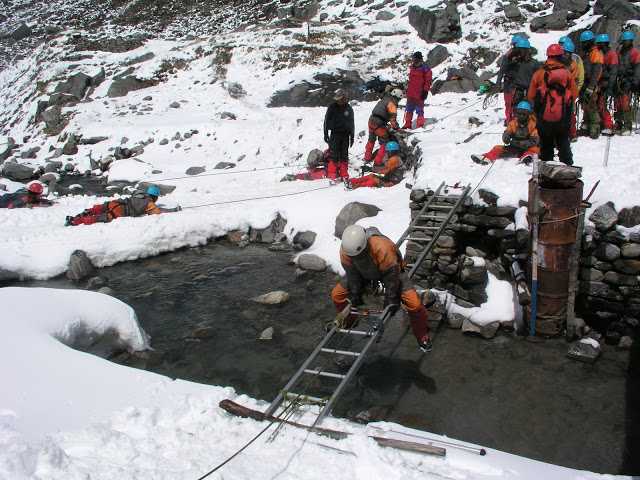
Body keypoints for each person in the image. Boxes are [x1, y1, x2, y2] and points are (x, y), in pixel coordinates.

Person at [331, 224, 432, 353]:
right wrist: (355, 293)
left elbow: (391, 277)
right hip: (362, 274)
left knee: (415, 305)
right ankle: (350, 321)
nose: (357, 258)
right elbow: (352, 274)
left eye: (359, 256)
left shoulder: (382, 248)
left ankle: (422, 334)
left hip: (391, 273)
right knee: (337, 295)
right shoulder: (346, 250)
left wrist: (391, 299)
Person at [528, 43, 577, 165]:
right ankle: (567, 168)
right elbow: (574, 94)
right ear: (560, 56)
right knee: (563, 142)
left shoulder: (539, 73)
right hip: (563, 117)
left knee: (546, 144)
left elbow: (531, 96)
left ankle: (547, 168)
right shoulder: (567, 73)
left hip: (544, 118)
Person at [65, 185, 177, 226]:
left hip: (117, 202)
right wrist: (173, 210)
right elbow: (157, 212)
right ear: (155, 197)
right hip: (121, 210)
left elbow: (133, 194)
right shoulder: (149, 203)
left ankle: (80, 215)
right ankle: (75, 221)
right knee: (100, 218)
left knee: (99, 208)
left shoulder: (140, 193)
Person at [471, 101, 539, 165]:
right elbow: (507, 132)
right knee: (497, 148)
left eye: (524, 114)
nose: (521, 115)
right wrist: (506, 137)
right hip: (514, 148)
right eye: (519, 113)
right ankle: (486, 158)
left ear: (528, 114)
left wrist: (521, 143)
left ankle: (527, 157)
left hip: (527, 148)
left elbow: (534, 141)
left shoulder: (532, 124)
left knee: (536, 149)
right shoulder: (513, 123)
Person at [497, 36, 538, 123]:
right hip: (517, 89)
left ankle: (521, 125)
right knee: (514, 108)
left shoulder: (531, 63)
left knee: (525, 108)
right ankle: (512, 124)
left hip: (524, 89)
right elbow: (504, 69)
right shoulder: (514, 61)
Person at [364, 88, 403, 165]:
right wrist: (397, 128)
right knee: (385, 141)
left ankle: (367, 157)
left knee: (371, 140)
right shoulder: (392, 104)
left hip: (371, 121)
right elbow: (393, 120)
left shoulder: (384, 99)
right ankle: (378, 162)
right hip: (379, 124)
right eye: (399, 99)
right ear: (397, 97)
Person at [323, 89, 355, 180]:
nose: (339, 101)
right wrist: (325, 134)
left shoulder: (349, 108)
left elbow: (352, 123)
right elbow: (326, 121)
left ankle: (344, 175)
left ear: (345, 98)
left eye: (341, 99)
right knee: (334, 155)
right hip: (334, 134)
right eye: (338, 99)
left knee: (344, 156)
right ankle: (332, 175)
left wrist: (352, 137)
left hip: (345, 135)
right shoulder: (332, 107)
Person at [579, 30, 604, 139]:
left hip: (592, 84)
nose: (583, 44)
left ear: (589, 42)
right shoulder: (588, 53)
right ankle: (586, 125)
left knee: (592, 105)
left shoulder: (596, 53)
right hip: (586, 83)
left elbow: (596, 71)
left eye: (584, 42)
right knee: (585, 105)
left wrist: (591, 86)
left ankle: (595, 127)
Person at [559, 36, 584, 141]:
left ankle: (572, 133)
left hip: (569, 92)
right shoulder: (557, 60)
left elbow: (579, 77)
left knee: (569, 114)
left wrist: (575, 91)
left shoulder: (575, 62)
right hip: (559, 91)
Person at [616, 30, 640, 135]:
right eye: (624, 41)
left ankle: (627, 125)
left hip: (629, 80)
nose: (625, 43)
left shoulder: (635, 52)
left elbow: (637, 68)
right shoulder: (620, 51)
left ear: (630, 41)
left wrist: (635, 82)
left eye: (627, 41)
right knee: (618, 102)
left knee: (625, 102)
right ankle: (619, 122)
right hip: (620, 79)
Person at [595, 34, 619, 135]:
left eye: (599, 43)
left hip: (607, 83)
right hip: (600, 83)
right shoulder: (600, 53)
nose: (598, 45)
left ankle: (608, 125)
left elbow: (613, 72)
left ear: (604, 43)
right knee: (598, 104)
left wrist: (609, 87)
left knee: (602, 105)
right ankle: (602, 123)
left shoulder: (611, 54)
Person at [403, 51, 432, 129]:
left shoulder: (426, 69)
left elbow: (428, 81)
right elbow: (411, 80)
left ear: (419, 59)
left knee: (419, 110)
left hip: (420, 93)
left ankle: (420, 125)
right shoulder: (412, 67)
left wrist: (425, 91)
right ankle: (407, 124)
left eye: (415, 58)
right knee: (409, 109)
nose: (413, 60)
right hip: (411, 93)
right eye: (413, 58)